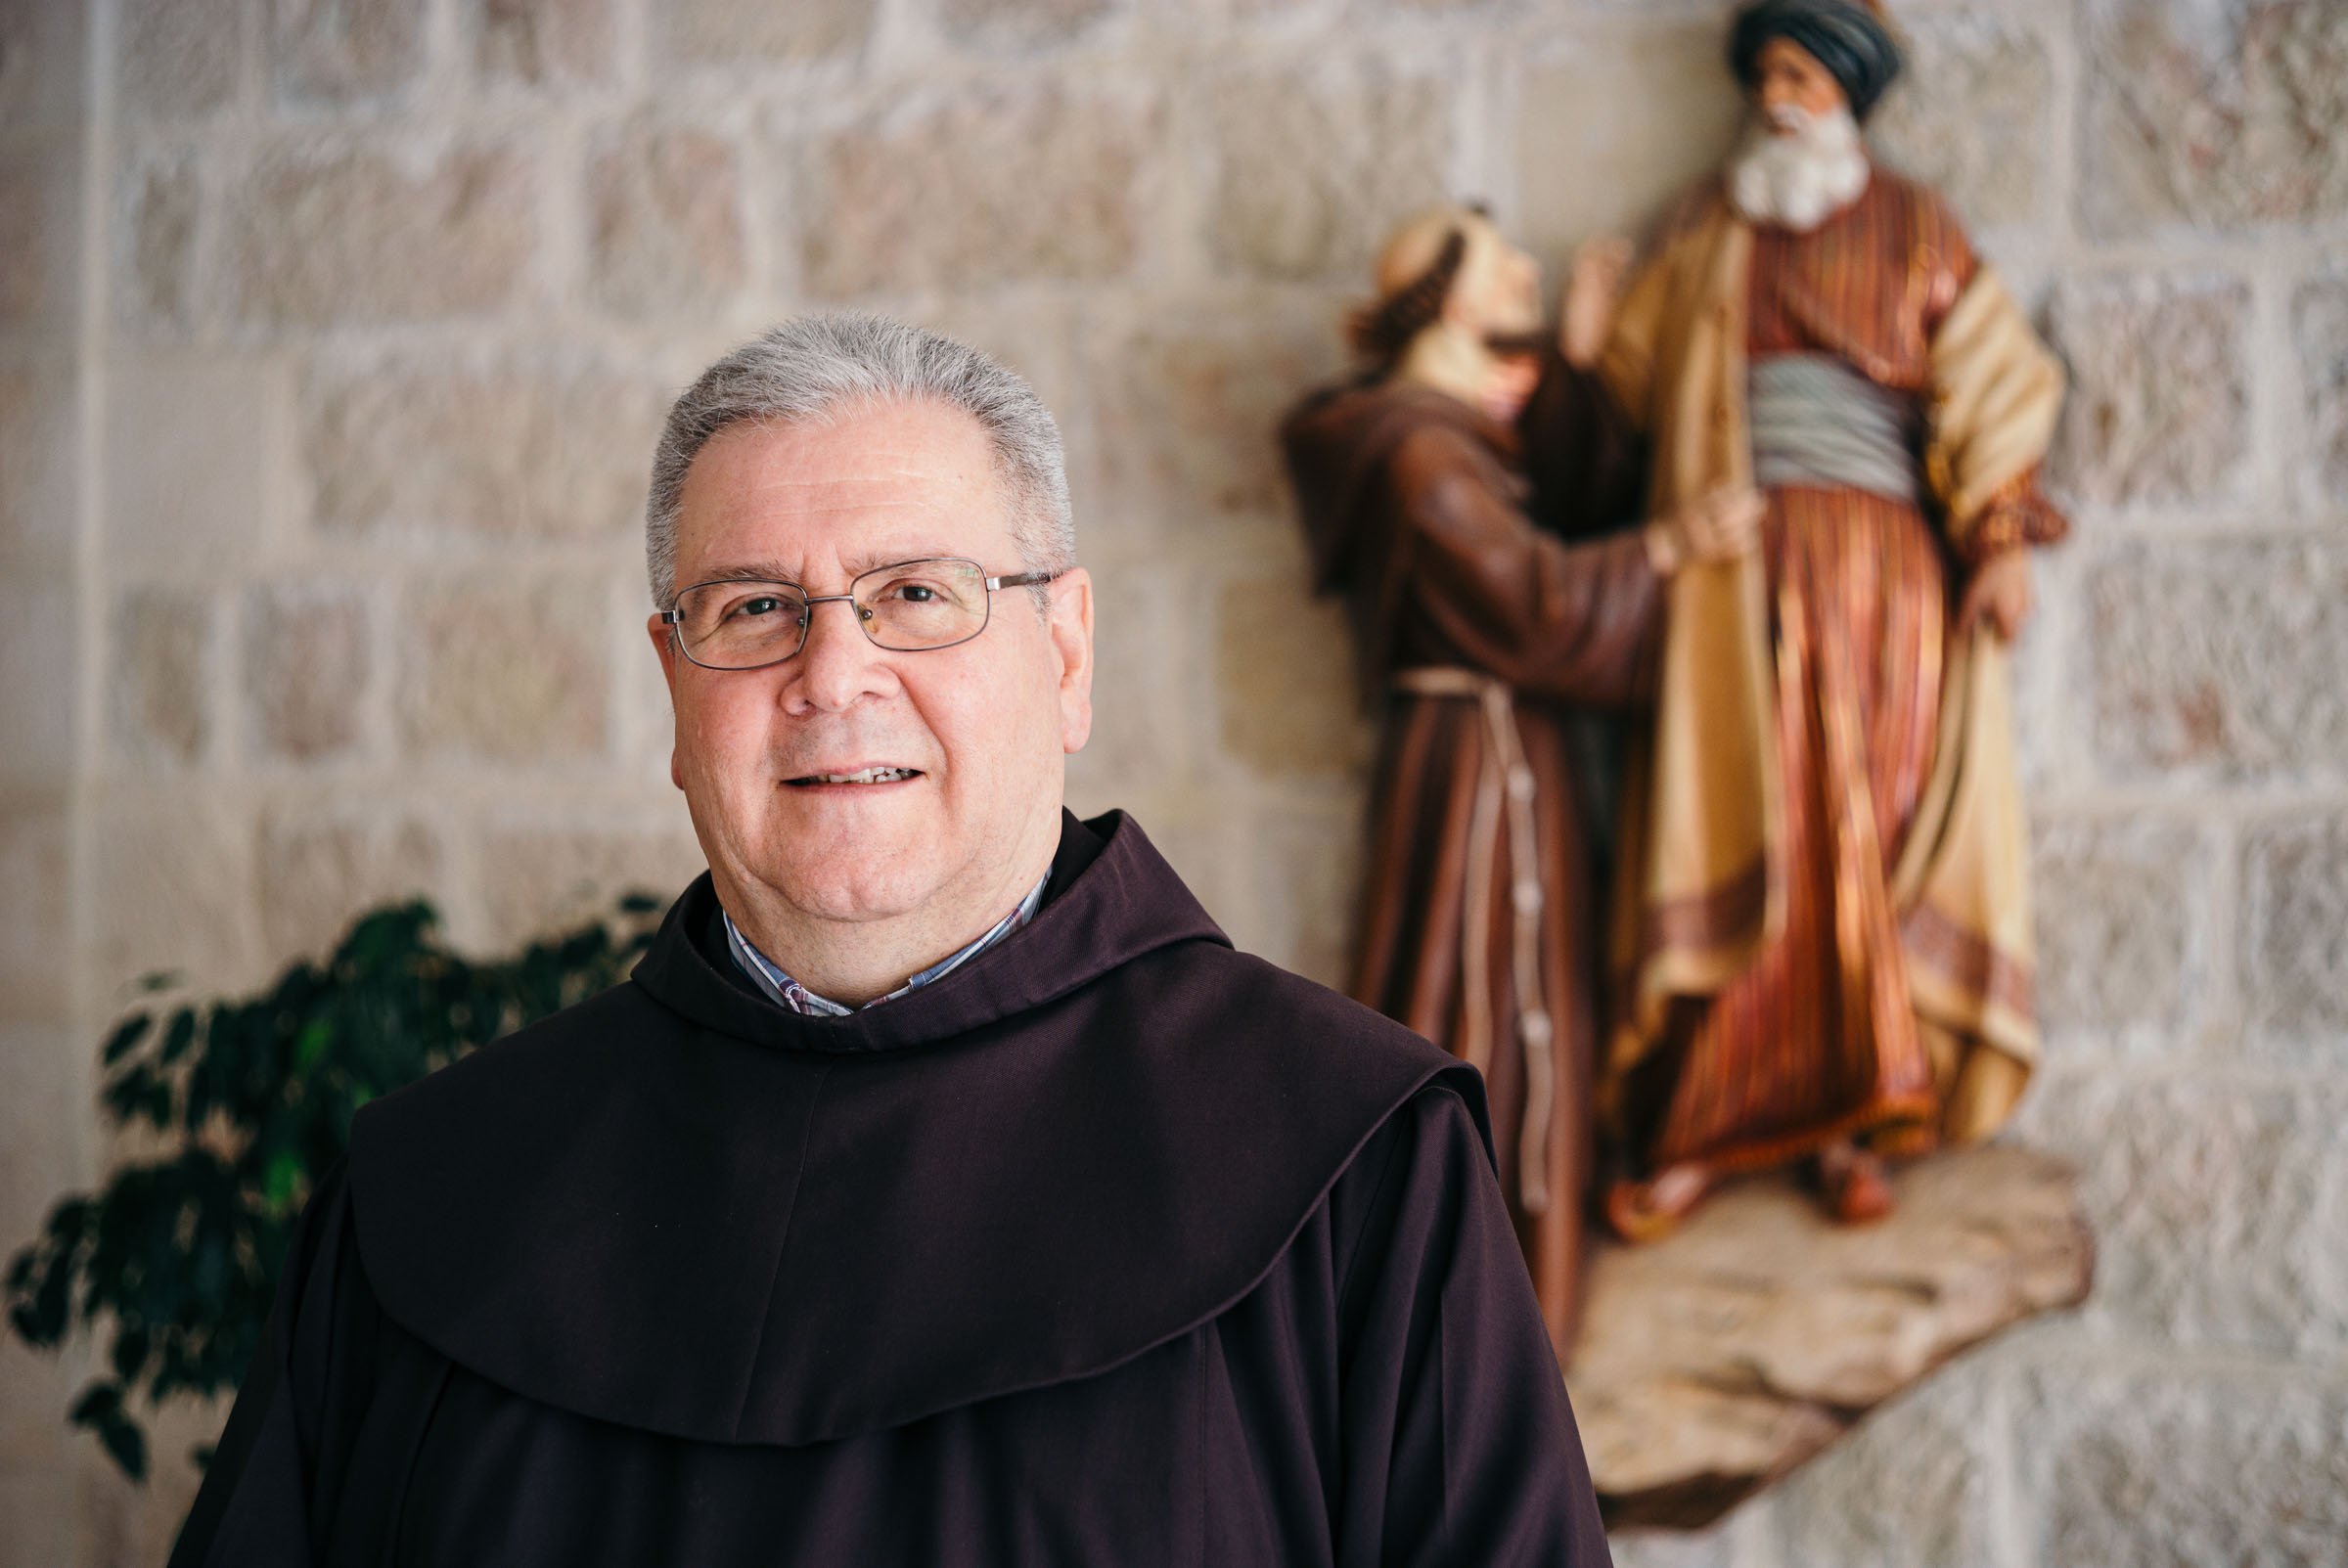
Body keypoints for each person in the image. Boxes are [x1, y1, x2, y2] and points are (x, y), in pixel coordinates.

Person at [165, 314, 1612, 1566]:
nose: (833, 672)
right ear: (673, 687)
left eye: (916, 593)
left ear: (1066, 653)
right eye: (753, 609)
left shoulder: (1352, 1160)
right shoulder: (431, 1195)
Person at [1538, 0, 2069, 1239]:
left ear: (1848, 90)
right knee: (1740, 822)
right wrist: (1579, 353)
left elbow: (1994, 382)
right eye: (1766, 72)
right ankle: (1697, 1129)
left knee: (1862, 836)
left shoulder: (1916, 229)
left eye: (1803, 73)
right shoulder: (1706, 227)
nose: (1779, 94)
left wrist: (1995, 541)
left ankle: (1851, 1122)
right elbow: (1615, 426)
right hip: (1728, 582)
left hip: (1885, 581)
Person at [1282, 206, 1762, 1355]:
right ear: (1448, 296)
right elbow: (1525, 599)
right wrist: (1673, 547)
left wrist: (1581, 364)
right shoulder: (1411, 446)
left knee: (1512, 999)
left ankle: (1503, 1312)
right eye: (1498, 258)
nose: (1525, 267)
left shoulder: (1448, 426)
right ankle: (1471, 1324)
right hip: (1478, 765)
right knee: (1482, 1004)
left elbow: (1560, 494)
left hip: (1499, 749)